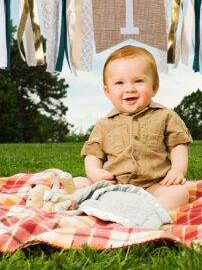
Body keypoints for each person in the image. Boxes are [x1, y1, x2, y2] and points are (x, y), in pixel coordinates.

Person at [74, 45, 192, 210]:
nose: (129, 89)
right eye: (119, 83)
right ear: (108, 92)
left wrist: (178, 170)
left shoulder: (166, 116)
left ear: (154, 87)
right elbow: (92, 154)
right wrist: (94, 172)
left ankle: (147, 212)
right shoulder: (103, 125)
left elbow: (178, 145)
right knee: (78, 183)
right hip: (112, 187)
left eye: (138, 81)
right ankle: (73, 204)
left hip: (154, 186)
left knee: (179, 193)